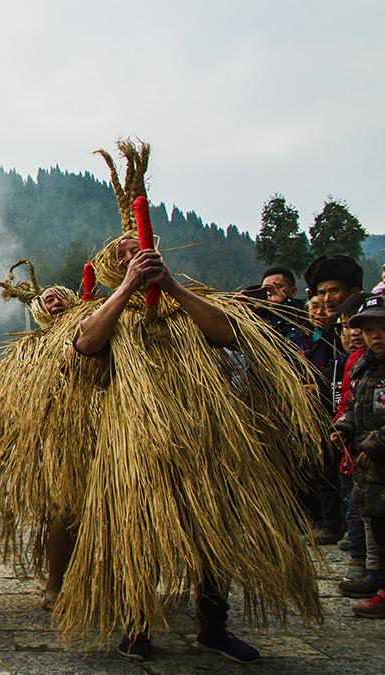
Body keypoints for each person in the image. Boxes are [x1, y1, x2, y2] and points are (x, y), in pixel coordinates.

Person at [60, 140, 321, 663]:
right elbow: (85, 344)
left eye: (143, 255)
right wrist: (129, 288)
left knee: (211, 531)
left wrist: (172, 286)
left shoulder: (189, 307)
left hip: (201, 435)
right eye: (126, 258)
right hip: (133, 440)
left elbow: (227, 334)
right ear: (115, 266)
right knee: (136, 531)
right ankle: (138, 624)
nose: (136, 261)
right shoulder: (114, 315)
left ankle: (212, 625)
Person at [0, 260, 98, 614]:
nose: (54, 301)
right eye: (47, 300)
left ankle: (101, 580)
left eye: (59, 297)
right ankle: (56, 582)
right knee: (67, 509)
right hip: (63, 438)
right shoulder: (32, 348)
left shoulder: (99, 331)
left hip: (105, 429)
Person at [305, 255, 364, 544]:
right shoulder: (319, 332)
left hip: (362, 424)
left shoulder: (367, 335)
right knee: (326, 468)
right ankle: (333, 524)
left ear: (353, 292)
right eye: (321, 292)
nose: (327, 299)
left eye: (333, 291)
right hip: (329, 417)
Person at [338, 294, 385, 617]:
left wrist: (373, 445)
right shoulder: (363, 368)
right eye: (369, 331)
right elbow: (354, 407)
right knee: (374, 522)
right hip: (369, 470)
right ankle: (379, 580)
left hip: (377, 457)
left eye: (383, 328)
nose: (376, 336)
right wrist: (344, 427)